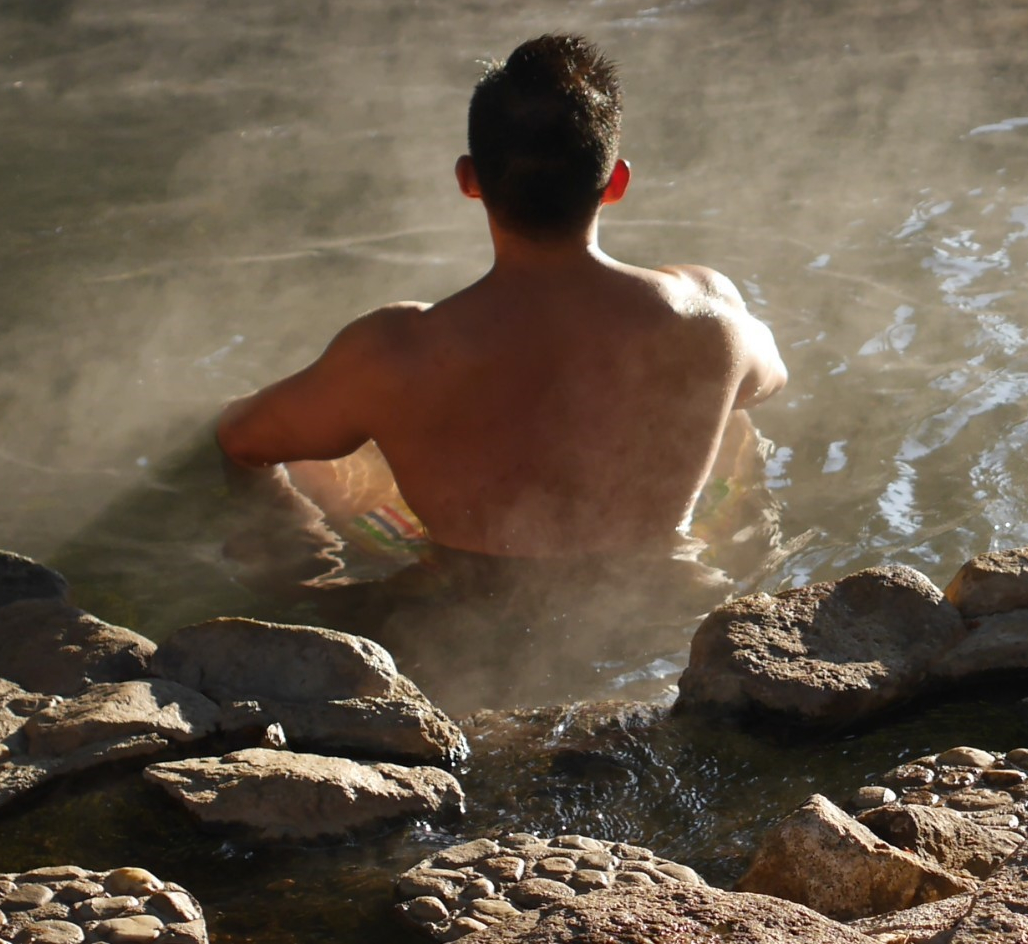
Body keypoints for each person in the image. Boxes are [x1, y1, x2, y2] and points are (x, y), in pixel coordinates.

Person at [213, 33, 787, 602]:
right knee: (730, 414)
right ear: (616, 183)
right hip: (661, 591)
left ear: (469, 180)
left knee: (330, 428)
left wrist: (307, 543)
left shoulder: (395, 351)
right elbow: (770, 382)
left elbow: (240, 440)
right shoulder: (708, 314)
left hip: (462, 602)